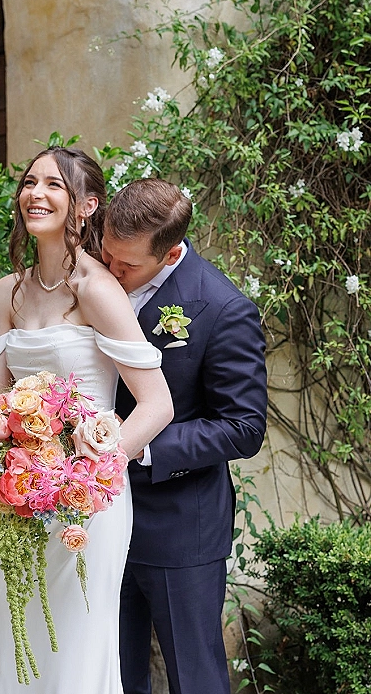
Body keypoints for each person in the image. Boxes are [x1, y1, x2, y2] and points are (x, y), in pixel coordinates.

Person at [0, 148, 174, 694]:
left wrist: (92, 472)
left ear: (85, 205)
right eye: (29, 182)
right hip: (20, 497)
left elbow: (156, 404)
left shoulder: (97, 290)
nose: (36, 193)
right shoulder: (8, 291)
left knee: (74, 646)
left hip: (87, 506)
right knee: (19, 639)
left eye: (54, 185)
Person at [102, 178, 268, 694]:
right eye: (106, 255)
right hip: (95, 520)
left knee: (194, 677)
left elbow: (244, 426)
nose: (111, 272)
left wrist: (140, 446)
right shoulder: (97, 279)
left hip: (179, 526)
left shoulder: (222, 309)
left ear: (171, 251)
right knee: (111, 673)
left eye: (126, 266)